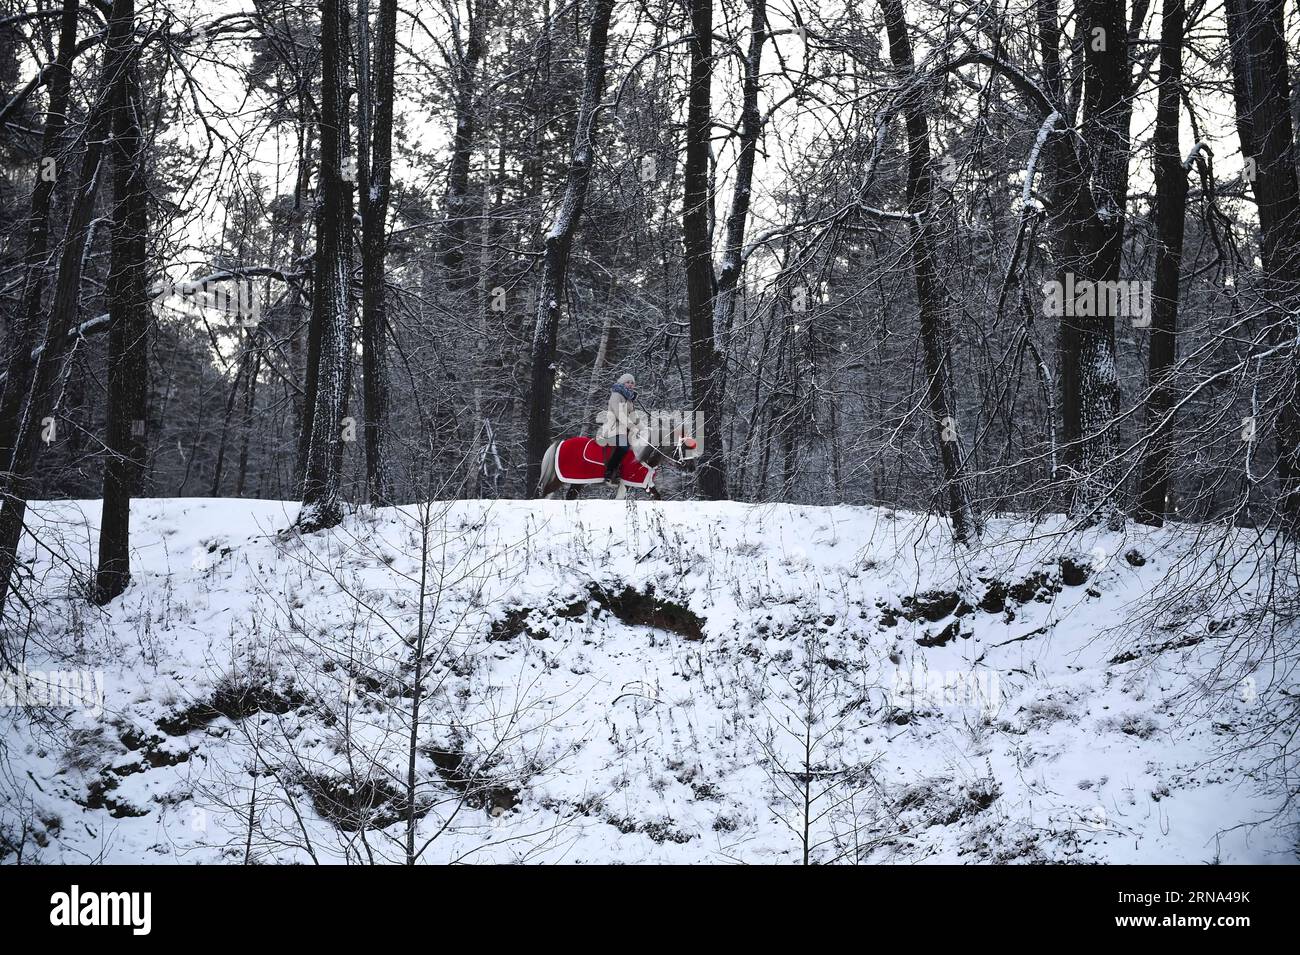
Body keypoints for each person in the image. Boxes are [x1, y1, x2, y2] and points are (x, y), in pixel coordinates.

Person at [599, 373, 638, 483]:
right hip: (614, 428)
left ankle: (626, 471)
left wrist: (640, 426)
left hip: (625, 429)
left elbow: (633, 415)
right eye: (627, 382)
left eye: (632, 383)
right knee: (624, 446)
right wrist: (631, 426)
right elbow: (619, 414)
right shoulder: (616, 395)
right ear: (622, 383)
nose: (630, 385)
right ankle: (609, 471)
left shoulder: (629, 398)